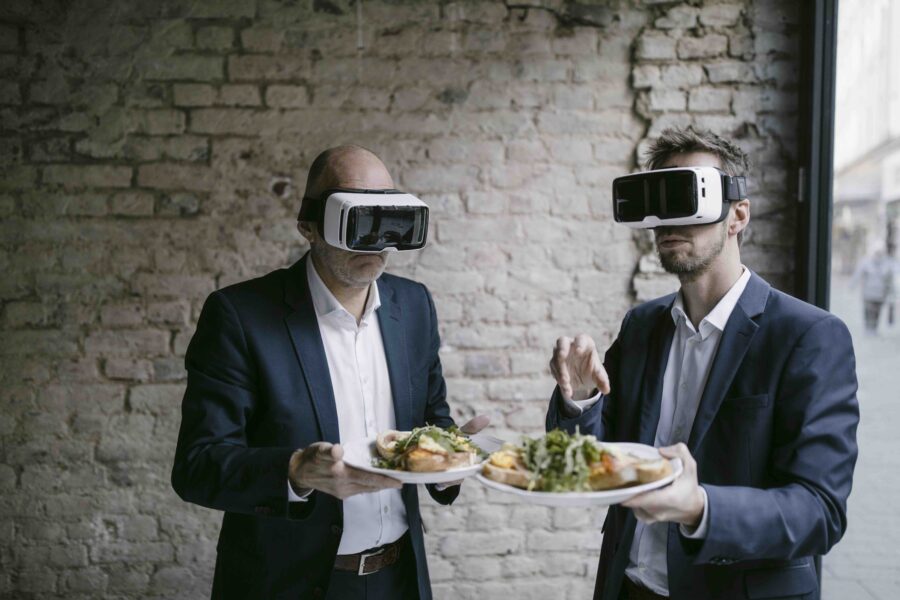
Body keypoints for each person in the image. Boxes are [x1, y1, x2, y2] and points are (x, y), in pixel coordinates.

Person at [546, 127, 859, 600]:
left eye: (687, 196)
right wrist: (582, 400)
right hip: (629, 586)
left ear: (737, 215)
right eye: (658, 199)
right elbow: (590, 463)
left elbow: (820, 511)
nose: (668, 219)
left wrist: (701, 507)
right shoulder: (642, 327)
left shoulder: (808, 336)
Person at [172, 145, 485, 600]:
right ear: (308, 226)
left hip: (397, 579)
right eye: (358, 221)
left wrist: (448, 461)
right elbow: (197, 466)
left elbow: (431, 422)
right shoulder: (240, 317)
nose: (377, 241)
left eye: (388, 219)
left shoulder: (414, 306)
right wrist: (297, 471)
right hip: (287, 584)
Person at [852, 242, 898, 333]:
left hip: (879, 295)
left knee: (876, 312)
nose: (878, 255)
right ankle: (868, 328)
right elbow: (858, 274)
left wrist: (891, 292)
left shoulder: (887, 264)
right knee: (868, 311)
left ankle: (873, 328)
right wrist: (852, 285)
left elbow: (890, 280)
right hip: (868, 294)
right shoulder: (866, 262)